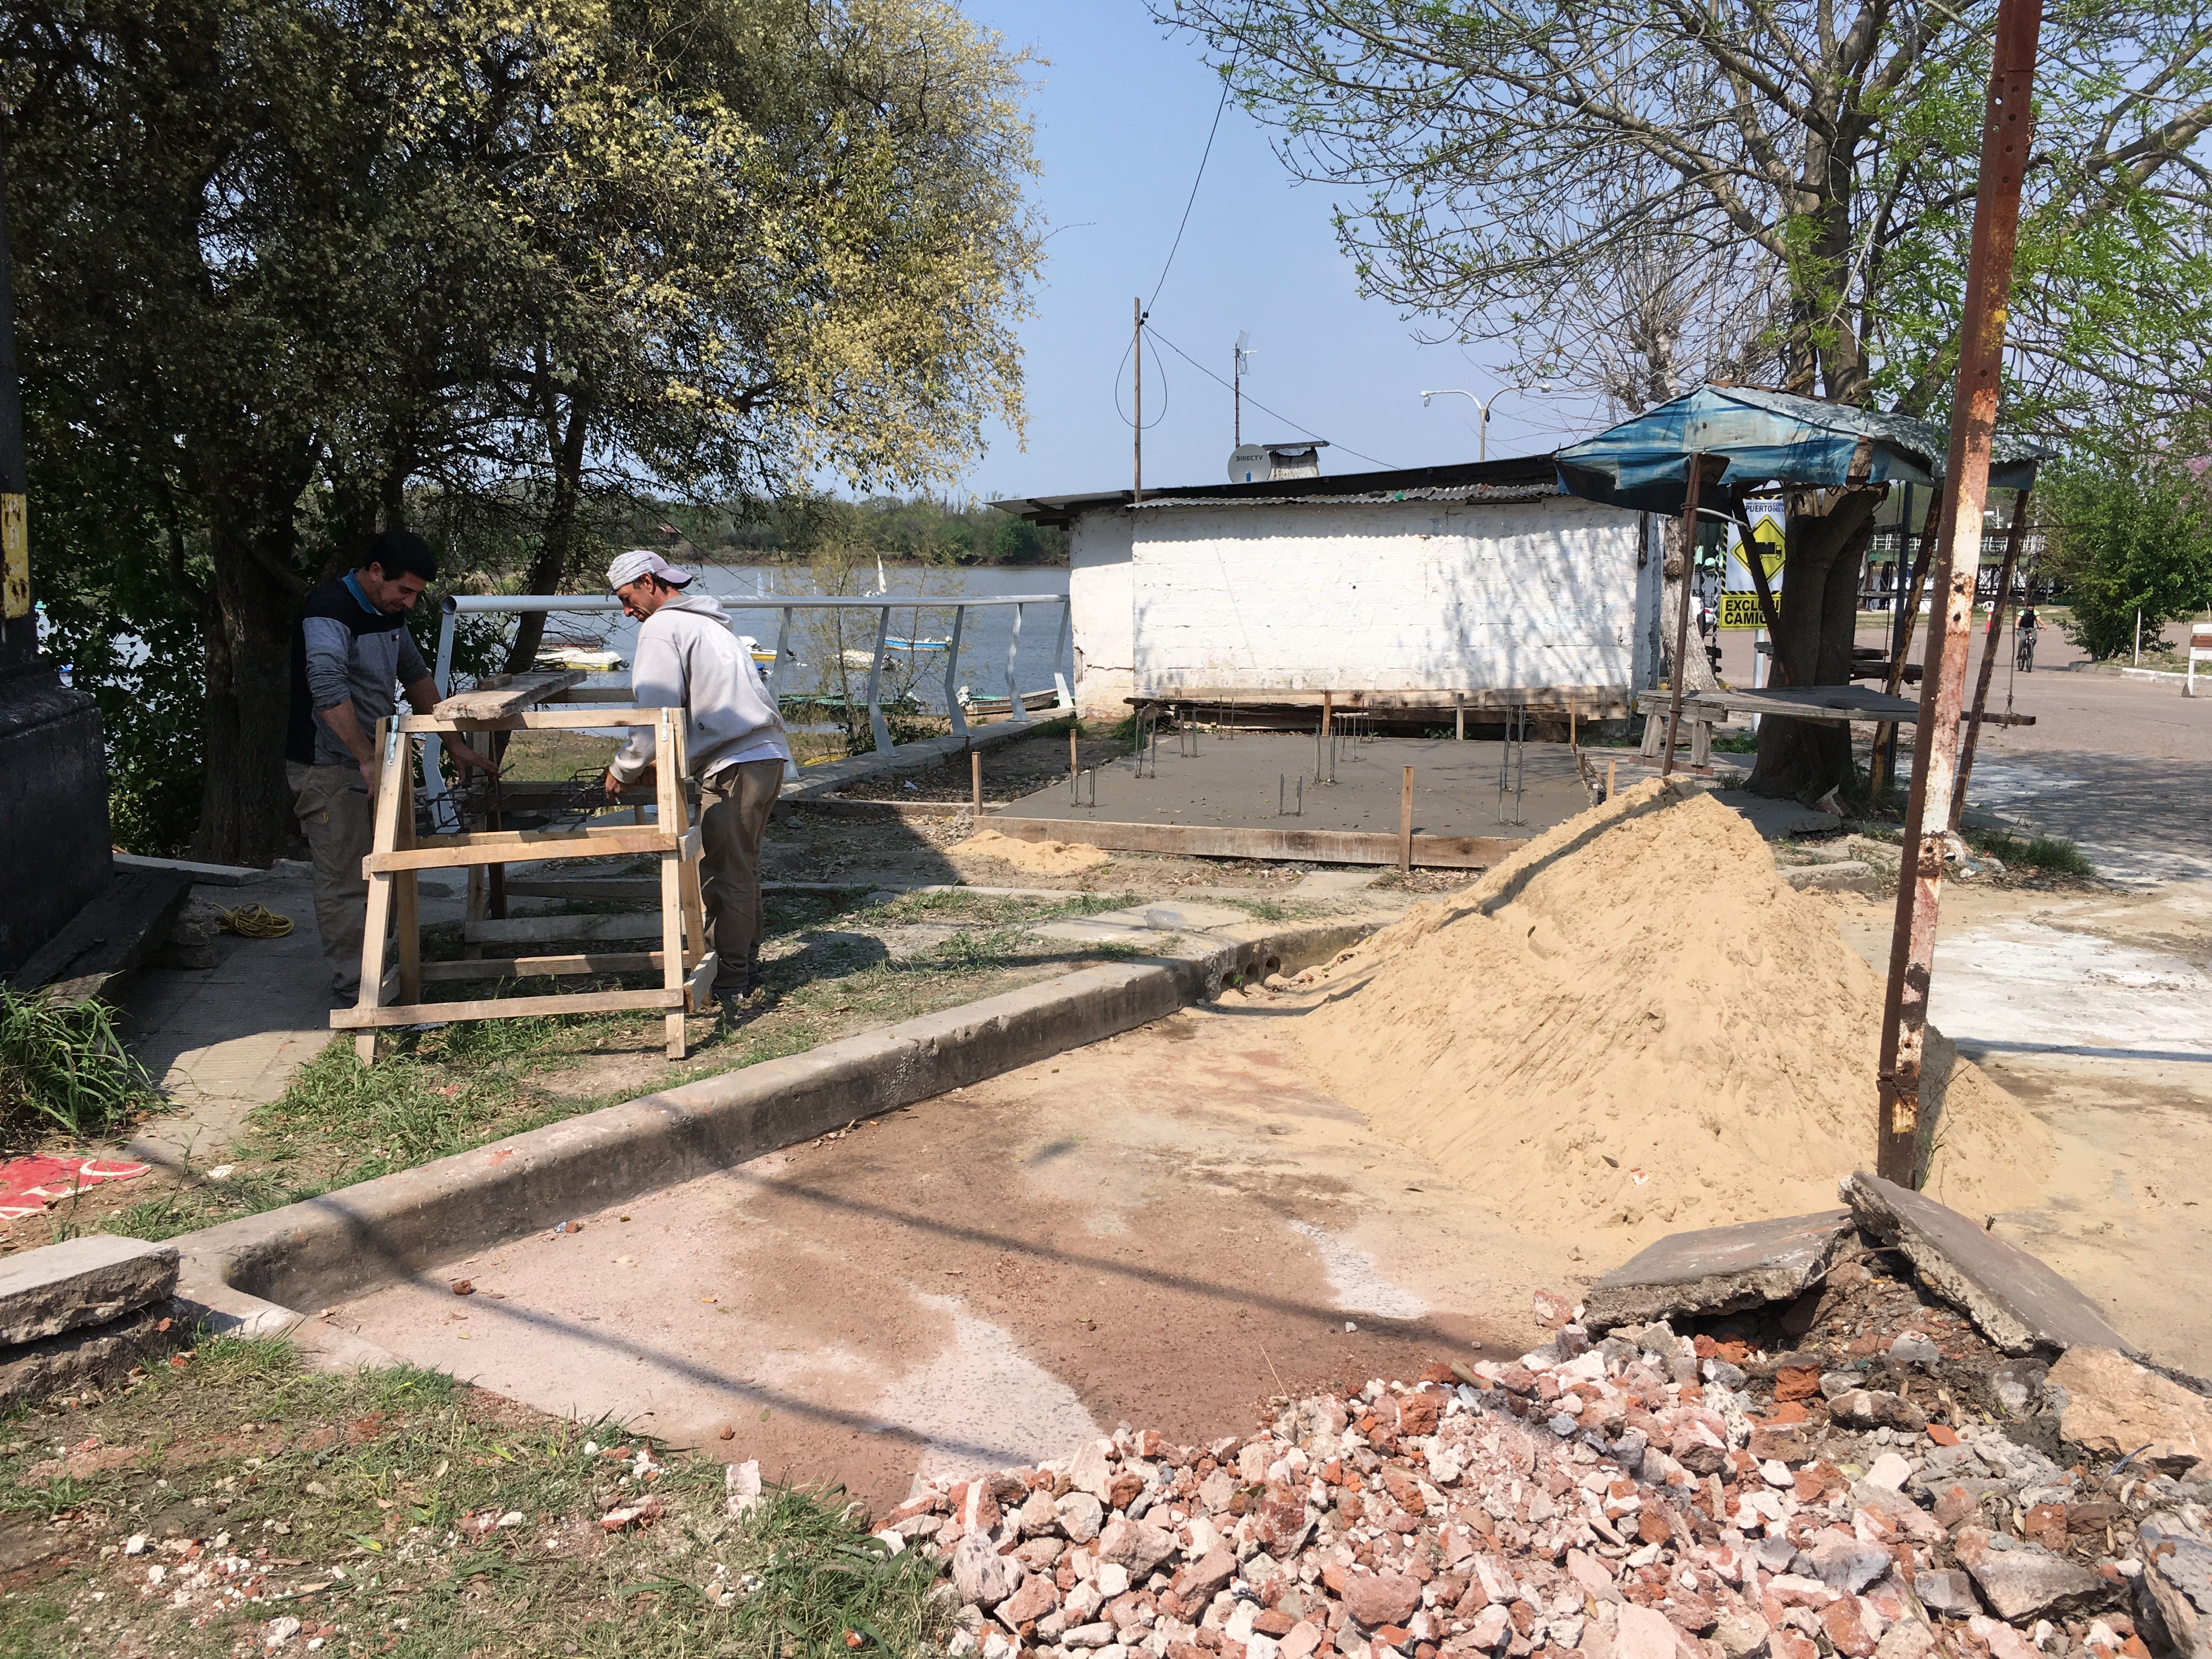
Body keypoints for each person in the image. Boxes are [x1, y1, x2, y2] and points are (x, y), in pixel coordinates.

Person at [287, 531, 493, 1003]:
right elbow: (326, 688)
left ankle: (388, 965)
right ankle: (354, 986)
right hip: (329, 766)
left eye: (418, 594)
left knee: (393, 865)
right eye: (405, 590)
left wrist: (455, 744)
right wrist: (365, 757)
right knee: (344, 877)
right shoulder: (329, 609)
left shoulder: (389, 614)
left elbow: (417, 676)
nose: (411, 602)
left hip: (377, 760)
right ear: (375, 572)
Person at [601, 549, 790, 1013]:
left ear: (648, 582)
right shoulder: (706, 621)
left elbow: (655, 714)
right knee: (740, 867)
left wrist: (624, 768)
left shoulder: (662, 627)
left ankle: (730, 979)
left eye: (628, 598)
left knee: (726, 872)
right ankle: (743, 966)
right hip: (764, 755)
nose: (628, 611)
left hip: (735, 762)